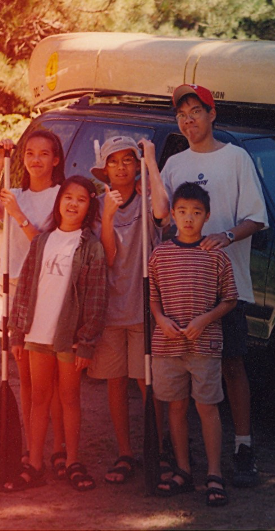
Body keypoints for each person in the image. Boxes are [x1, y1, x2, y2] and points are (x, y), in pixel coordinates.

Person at [159, 84, 268, 487]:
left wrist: (227, 235)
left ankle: (243, 447)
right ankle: (182, 453)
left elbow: (256, 217)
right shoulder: (174, 165)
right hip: (182, 290)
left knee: (232, 365)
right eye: (181, 115)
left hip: (227, 288)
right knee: (183, 371)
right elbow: (161, 216)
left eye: (195, 112)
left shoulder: (236, 158)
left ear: (212, 114)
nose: (188, 121)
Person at [4, 176, 108, 492]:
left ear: (89, 208)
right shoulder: (41, 242)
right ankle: (34, 463)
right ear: (59, 200)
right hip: (37, 334)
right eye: (68, 197)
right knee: (39, 399)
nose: (73, 203)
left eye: (81, 199)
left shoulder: (91, 247)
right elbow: (24, 289)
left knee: (69, 398)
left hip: (69, 339)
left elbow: (96, 298)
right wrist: (17, 333)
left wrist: (86, 343)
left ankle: (73, 460)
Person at [0, 129, 69, 478]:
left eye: (44, 154)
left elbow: (48, 245)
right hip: (17, 289)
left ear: (56, 159)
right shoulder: (13, 194)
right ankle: (33, 451)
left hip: (50, 288)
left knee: (55, 378)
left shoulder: (62, 195)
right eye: (29, 153)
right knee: (28, 377)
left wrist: (18, 215)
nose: (35, 160)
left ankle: (60, 448)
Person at [149, 182, 237, 507]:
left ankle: (214, 473)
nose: (189, 219)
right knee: (175, 406)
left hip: (205, 346)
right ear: (172, 214)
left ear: (207, 216)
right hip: (168, 345)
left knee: (207, 407)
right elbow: (153, 297)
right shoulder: (160, 254)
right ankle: (183, 470)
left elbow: (230, 299)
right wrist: (160, 319)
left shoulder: (216, 255)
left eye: (196, 213)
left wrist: (205, 320)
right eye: (183, 212)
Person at [87, 135, 168, 485]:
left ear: (136, 166)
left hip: (142, 308)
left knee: (146, 381)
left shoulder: (148, 197)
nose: (121, 167)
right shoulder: (97, 206)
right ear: (104, 169)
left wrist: (151, 161)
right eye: (114, 161)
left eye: (128, 160)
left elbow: (163, 214)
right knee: (116, 381)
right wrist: (107, 217)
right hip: (110, 311)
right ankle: (125, 453)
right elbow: (108, 256)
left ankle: (158, 449)